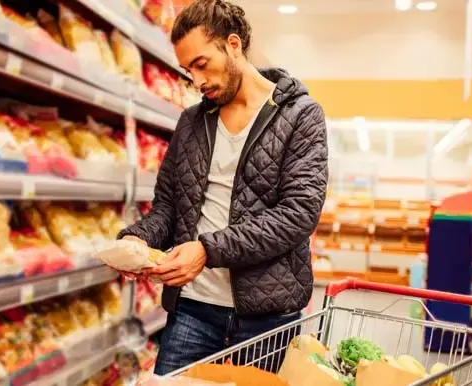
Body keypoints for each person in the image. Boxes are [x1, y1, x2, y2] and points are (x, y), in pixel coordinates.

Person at [118, 0, 329, 375]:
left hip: (269, 315)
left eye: (201, 64)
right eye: (187, 71)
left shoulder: (301, 115)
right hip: (194, 308)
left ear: (233, 45)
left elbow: (297, 214)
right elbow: (168, 205)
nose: (197, 82)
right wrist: (137, 239)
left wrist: (206, 250)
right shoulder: (191, 121)